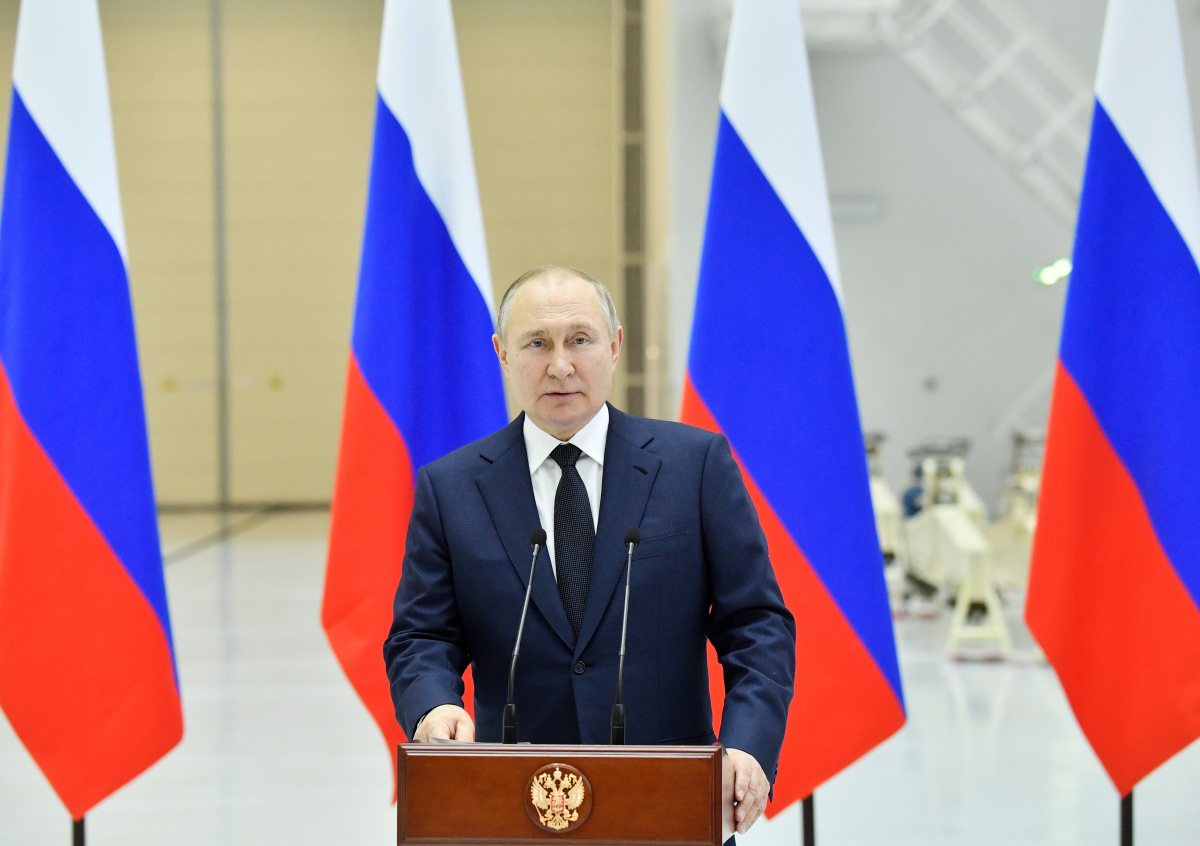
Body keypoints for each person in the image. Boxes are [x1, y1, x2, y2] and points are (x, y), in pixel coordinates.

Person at [384, 265, 795, 834]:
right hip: (516, 805)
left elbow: (757, 623)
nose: (560, 365)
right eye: (536, 343)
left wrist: (747, 745)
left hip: (668, 799)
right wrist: (433, 706)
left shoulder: (694, 466)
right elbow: (421, 635)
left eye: (580, 339)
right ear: (502, 354)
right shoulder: (450, 488)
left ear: (615, 346)